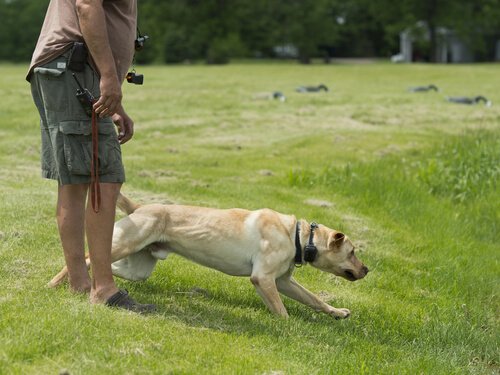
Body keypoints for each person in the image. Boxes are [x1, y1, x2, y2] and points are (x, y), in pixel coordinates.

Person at [28, 0, 155, 313]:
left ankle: (80, 282)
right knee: (104, 177)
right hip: (75, 66)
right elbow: (86, 6)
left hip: (68, 69)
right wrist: (109, 78)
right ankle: (103, 288)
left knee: (74, 181)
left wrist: (114, 101)